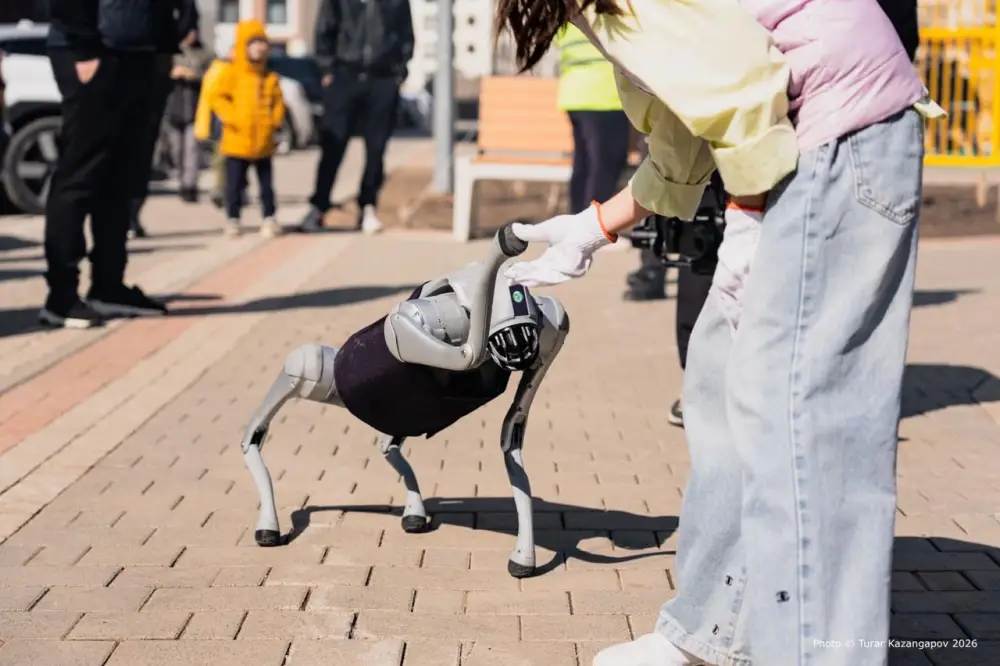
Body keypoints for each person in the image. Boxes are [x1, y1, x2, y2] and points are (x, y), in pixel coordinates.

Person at [494, 2, 941, 666]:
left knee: (800, 420)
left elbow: (742, 85)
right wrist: (596, 226)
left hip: (839, 133)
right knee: (720, 387)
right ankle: (713, 633)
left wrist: (748, 214)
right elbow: (686, 124)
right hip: (808, 136)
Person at [42, 0, 180, 328]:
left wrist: (164, 46)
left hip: (139, 53)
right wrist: (84, 45)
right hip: (94, 48)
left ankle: (108, 286)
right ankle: (61, 297)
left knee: (122, 178)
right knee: (80, 175)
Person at [299, 0, 415, 234]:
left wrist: (399, 73)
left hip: (382, 78)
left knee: (376, 149)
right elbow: (324, 28)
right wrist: (327, 69)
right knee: (333, 145)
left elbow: (406, 34)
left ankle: (368, 206)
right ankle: (318, 207)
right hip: (344, 74)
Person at [128, 0, 200, 239]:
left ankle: (129, 217)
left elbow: (188, 12)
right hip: (150, 64)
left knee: (138, 149)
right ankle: (127, 217)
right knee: (139, 150)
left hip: (143, 65)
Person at [209, 20, 285, 238]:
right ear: (243, 46)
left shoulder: (269, 77)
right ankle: (233, 218)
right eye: (254, 43)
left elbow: (278, 103)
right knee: (233, 184)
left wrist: (274, 121)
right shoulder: (232, 74)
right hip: (236, 140)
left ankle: (269, 217)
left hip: (263, 141)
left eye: (262, 43)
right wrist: (232, 118)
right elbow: (218, 98)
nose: (259, 48)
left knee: (266, 185)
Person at [555, 22, 630, 215]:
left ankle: (577, 221)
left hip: (575, 92)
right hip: (604, 94)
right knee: (604, 164)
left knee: (585, 164)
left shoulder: (570, 9)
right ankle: (596, 228)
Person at [165, 28, 213, 203]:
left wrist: (195, 75)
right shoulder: (171, 51)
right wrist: (171, 73)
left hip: (195, 110)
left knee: (191, 151)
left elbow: (213, 76)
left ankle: (189, 186)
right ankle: (181, 180)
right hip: (174, 110)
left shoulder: (205, 53)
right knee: (177, 151)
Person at [194, 51, 233, 209]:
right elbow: (212, 97)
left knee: (226, 160)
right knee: (221, 158)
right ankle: (221, 190)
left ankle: (227, 190)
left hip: (228, 120)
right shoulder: (220, 70)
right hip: (221, 120)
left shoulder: (224, 70)